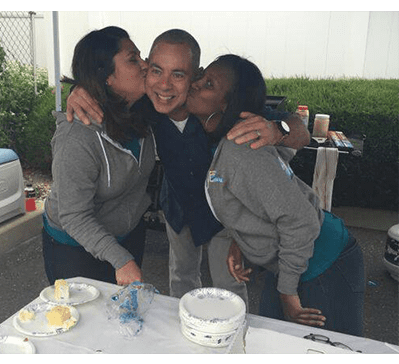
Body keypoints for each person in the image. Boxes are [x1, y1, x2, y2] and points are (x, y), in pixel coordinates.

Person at [65, 29, 310, 301]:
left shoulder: (216, 106)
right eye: (157, 71)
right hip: (178, 207)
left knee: (228, 286)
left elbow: (300, 130)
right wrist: (81, 89)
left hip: (226, 215)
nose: (165, 86)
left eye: (179, 74)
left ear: (196, 76)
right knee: (181, 280)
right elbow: (107, 89)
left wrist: (279, 129)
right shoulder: (146, 106)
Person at [188, 54, 365, 336]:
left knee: (323, 348)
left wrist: (288, 295)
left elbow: (301, 220)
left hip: (323, 263)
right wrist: (240, 237)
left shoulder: (240, 149)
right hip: (292, 262)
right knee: (273, 341)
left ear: (226, 104)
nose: (195, 85)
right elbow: (259, 192)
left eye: (208, 83)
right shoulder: (232, 141)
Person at [42, 26, 156, 286]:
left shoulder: (143, 111)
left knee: (124, 318)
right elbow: (74, 215)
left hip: (127, 235)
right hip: (75, 247)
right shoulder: (78, 136)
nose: (145, 65)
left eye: (141, 56)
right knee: (84, 323)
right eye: (132, 59)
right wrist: (121, 260)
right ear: (106, 76)